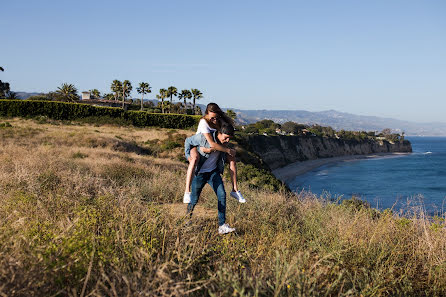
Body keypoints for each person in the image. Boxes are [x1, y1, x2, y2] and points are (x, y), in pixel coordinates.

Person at [183, 103, 245, 204]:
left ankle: (235, 190)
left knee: (232, 159)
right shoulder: (203, 122)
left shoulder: (219, 120)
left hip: (212, 146)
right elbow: (211, 143)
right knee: (194, 160)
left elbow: (224, 134)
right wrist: (227, 150)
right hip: (197, 145)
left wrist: (227, 149)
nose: (215, 120)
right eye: (212, 118)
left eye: (216, 117)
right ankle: (187, 191)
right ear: (206, 114)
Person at [184, 121, 237, 234]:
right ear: (219, 133)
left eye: (229, 139)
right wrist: (189, 156)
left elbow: (229, 159)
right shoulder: (205, 138)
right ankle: (187, 221)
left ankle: (222, 225)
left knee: (222, 195)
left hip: (213, 173)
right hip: (200, 174)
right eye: (226, 138)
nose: (227, 141)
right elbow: (188, 141)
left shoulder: (225, 145)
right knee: (193, 199)